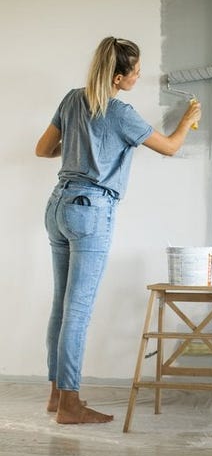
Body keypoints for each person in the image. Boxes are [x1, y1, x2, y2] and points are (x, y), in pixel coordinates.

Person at [35, 36, 201, 424]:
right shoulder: (121, 113)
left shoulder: (72, 98)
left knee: (62, 304)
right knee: (77, 311)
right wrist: (187, 122)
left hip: (58, 204)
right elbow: (171, 147)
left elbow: (43, 150)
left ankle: (56, 394)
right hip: (91, 210)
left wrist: (79, 146)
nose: (139, 77)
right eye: (136, 72)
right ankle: (70, 406)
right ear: (119, 76)